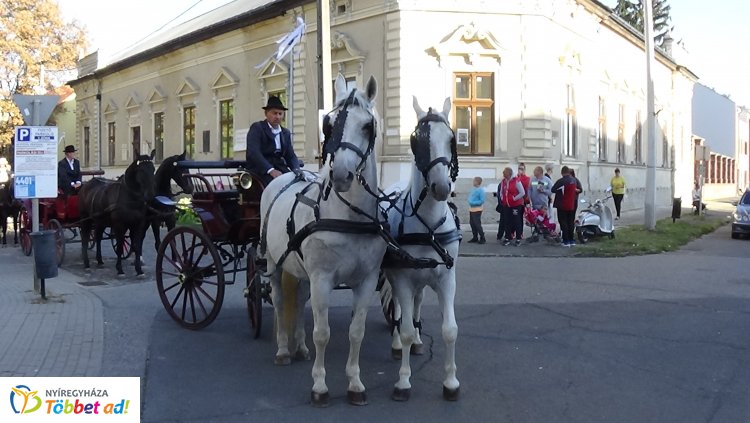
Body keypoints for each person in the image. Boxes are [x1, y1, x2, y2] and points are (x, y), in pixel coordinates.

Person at [246, 96, 301, 186]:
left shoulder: (285, 133)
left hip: (280, 168)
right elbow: (254, 153)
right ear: (266, 113)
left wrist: (297, 170)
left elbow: (290, 156)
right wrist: (270, 170)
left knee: (296, 184)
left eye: (280, 114)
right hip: (260, 170)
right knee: (277, 186)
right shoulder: (257, 128)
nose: (277, 117)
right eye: (274, 113)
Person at [552, 166, 582, 247]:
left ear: (562, 173)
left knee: (563, 222)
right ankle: (571, 240)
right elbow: (579, 190)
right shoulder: (574, 180)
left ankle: (565, 240)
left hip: (562, 204)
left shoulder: (561, 181)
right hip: (572, 204)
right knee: (570, 222)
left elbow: (553, 189)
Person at [498, 167, 525, 246]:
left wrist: (514, 198)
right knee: (507, 221)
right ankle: (507, 237)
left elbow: (522, 192)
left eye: (504, 173)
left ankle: (518, 238)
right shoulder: (503, 181)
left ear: (509, 174)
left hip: (516, 205)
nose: (503, 174)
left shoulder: (516, 181)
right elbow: (501, 191)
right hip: (506, 205)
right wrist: (502, 199)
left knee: (516, 221)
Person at [467, 176, 486, 244]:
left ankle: (482, 238)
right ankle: (475, 237)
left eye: (474, 181)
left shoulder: (481, 190)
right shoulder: (473, 189)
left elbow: (482, 200)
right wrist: (469, 200)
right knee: (472, 223)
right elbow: (470, 196)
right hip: (471, 209)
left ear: (477, 182)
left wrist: (473, 203)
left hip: (477, 209)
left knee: (477, 224)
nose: (473, 182)